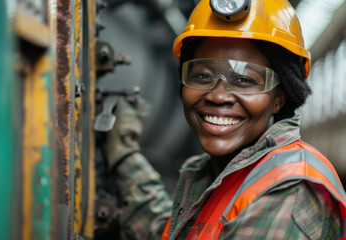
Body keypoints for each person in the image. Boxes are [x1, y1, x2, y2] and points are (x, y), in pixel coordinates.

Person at [103, 0, 346, 239]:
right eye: (201, 76)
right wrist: (125, 155)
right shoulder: (222, 175)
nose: (218, 96)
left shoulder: (288, 189)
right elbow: (168, 233)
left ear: (279, 98)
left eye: (245, 80)